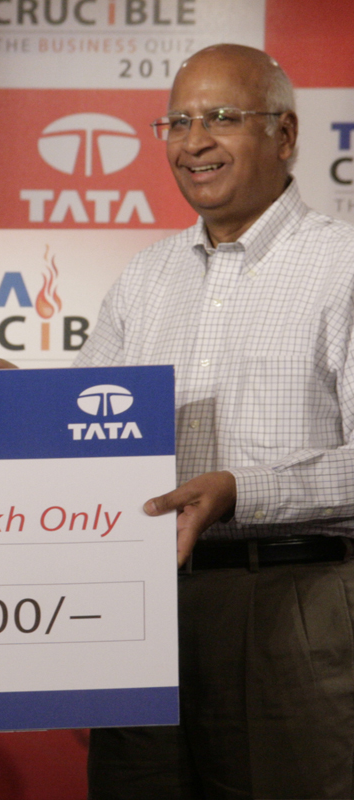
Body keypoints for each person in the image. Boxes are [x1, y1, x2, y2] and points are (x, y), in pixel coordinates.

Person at [77, 44, 354, 799]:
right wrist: (24, 414)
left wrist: (240, 491)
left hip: (293, 604)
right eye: (178, 122)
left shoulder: (343, 265)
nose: (193, 141)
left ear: (284, 135)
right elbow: (86, 438)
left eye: (222, 118)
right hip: (141, 612)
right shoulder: (144, 277)